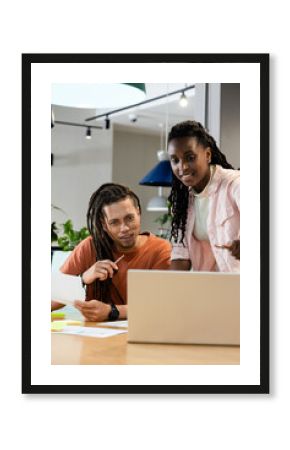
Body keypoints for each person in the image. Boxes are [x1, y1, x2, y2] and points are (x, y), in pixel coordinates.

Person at [52, 183, 171, 321]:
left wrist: (111, 311)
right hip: (92, 337)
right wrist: (83, 279)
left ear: (138, 213)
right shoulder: (90, 246)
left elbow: (162, 305)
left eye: (129, 218)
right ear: (104, 224)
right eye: (114, 222)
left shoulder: (160, 250)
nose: (124, 228)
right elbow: (52, 299)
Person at [167, 120, 240, 272]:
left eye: (190, 157)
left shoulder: (235, 184)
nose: (183, 167)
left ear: (207, 155)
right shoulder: (183, 201)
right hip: (210, 287)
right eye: (175, 160)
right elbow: (180, 256)